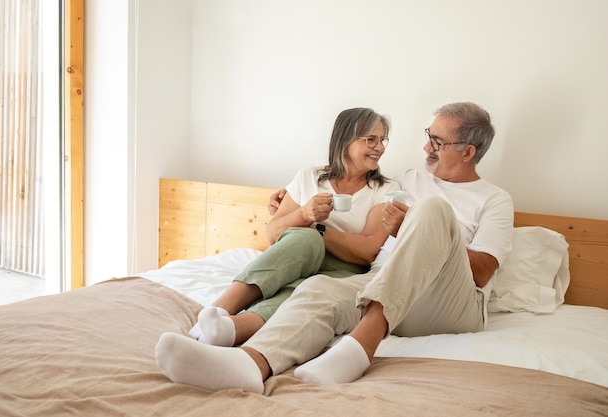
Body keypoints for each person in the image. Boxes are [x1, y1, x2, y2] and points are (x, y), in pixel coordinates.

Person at [155, 102, 514, 394]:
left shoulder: (495, 200)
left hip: (449, 302)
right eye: (428, 137)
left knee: (433, 211)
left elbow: (481, 272)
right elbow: (354, 181)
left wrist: (418, 229)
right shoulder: (406, 180)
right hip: (385, 285)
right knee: (318, 288)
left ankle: (362, 345)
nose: (426, 147)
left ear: (468, 152)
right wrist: (288, 203)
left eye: (437, 141)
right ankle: (250, 363)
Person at [188, 107, 401, 348]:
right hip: (295, 253)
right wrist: (303, 214)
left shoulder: (385, 189)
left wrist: (318, 229)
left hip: (345, 268)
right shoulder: (309, 177)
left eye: (382, 140)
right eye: (371, 139)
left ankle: (232, 330)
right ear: (345, 140)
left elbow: (369, 250)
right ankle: (217, 310)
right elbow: (272, 234)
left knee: (305, 288)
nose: (380, 148)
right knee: (304, 240)